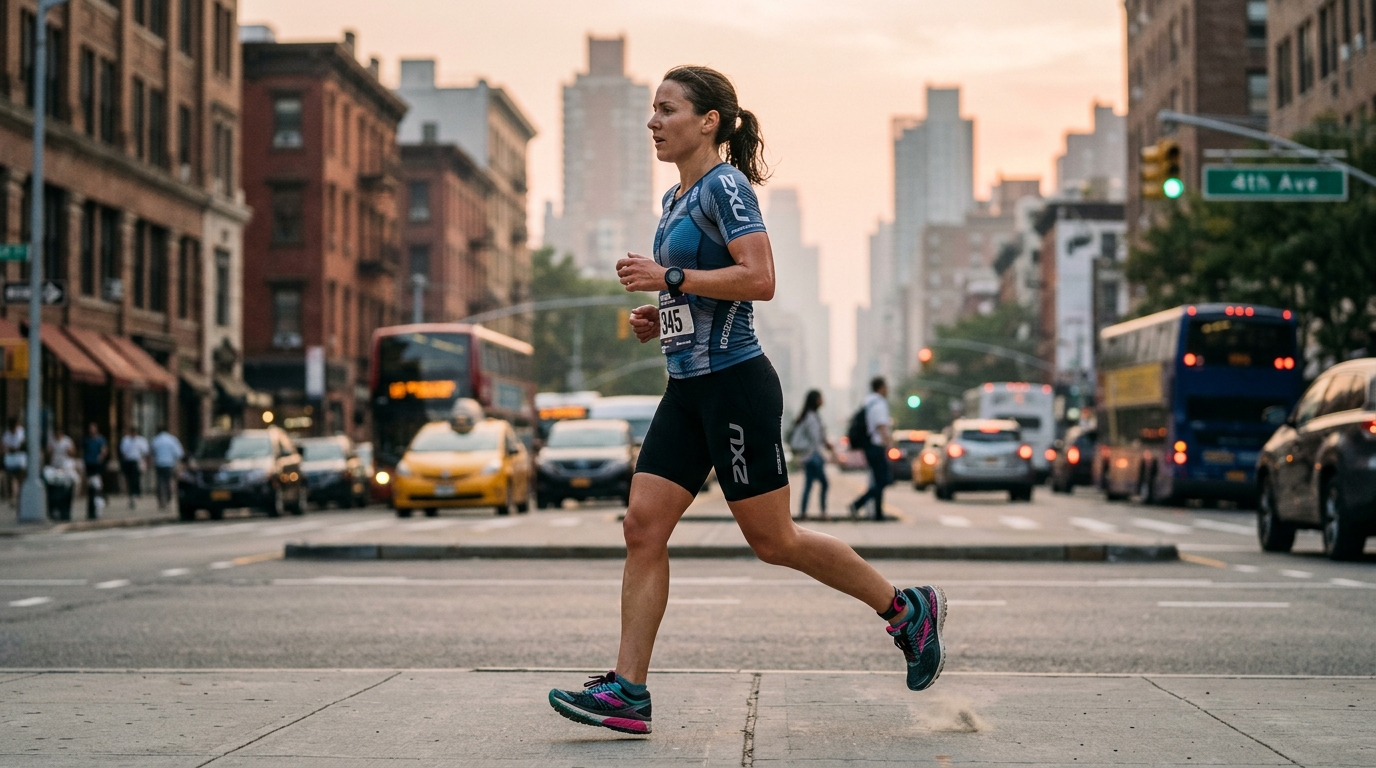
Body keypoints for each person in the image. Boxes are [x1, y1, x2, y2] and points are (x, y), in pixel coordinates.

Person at [547, 66, 947, 736]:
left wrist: (669, 274)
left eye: (666, 109)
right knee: (643, 527)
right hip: (685, 390)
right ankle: (628, 692)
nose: (653, 121)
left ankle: (906, 609)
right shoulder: (674, 202)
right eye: (650, 110)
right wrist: (661, 314)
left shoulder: (725, 186)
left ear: (708, 121)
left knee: (774, 540)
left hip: (735, 385)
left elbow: (759, 279)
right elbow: (701, 293)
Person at [849, 377, 894, 521]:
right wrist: (889, 443)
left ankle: (878, 513)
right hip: (876, 446)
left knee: (878, 481)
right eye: (886, 386)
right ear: (880, 387)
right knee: (884, 480)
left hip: (869, 446)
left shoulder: (868, 402)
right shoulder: (879, 403)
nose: (888, 389)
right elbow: (881, 426)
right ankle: (858, 504)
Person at [788, 389, 833, 521]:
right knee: (824, 484)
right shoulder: (811, 417)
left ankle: (803, 513)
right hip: (813, 457)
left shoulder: (808, 415)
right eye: (820, 397)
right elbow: (815, 439)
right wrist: (823, 453)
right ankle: (823, 513)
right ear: (816, 400)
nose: (822, 400)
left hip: (808, 457)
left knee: (809, 485)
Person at [46, 427, 77, 521]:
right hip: (55, 468)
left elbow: (73, 452)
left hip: (66, 468)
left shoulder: (67, 441)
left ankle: (65, 512)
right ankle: (55, 510)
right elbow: (48, 453)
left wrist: (69, 451)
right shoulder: (52, 441)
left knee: (66, 489)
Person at [150, 425, 184, 511]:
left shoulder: (155, 440)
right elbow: (179, 453)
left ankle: (161, 501)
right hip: (169, 464)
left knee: (160, 482)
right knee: (168, 482)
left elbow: (151, 452)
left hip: (159, 464)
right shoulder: (172, 439)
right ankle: (168, 500)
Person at [119, 425, 150, 509]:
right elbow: (123, 451)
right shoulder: (126, 440)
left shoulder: (141, 440)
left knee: (136, 478)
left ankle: (135, 492)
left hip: (136, 461)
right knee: (129, 478)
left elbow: (145, 451)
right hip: (128, 461)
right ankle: (131, 493)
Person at [82, 423, 108, 520]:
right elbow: (83, 451)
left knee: (97, 486)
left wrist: (101, 456)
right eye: (90, 429)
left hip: (97, 466)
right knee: (90, 488)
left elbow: (104, 450)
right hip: (89, 465)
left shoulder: (100, 440)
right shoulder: (86, 440)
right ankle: (91, 511)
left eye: (93, 428)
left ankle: (98, 509)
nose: (92, 430)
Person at [3, 416, 26, 503]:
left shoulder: (21, 432)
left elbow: (21, 445)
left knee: (20, 478)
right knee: (14, 478)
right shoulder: (7, 434)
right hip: (12, 461)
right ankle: (15, 496)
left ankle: (18, 496)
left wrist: (12, 448)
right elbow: (4, 447)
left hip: (21, 460)